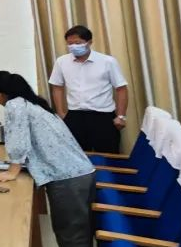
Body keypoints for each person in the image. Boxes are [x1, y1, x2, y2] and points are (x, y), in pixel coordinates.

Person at [0, 71, 97, 247]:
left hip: (68, 176)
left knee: (73, 232)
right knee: (69, 229)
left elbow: (18, 140)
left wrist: (12, 171)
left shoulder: (15, 105)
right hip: (74, 173)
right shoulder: (34, 103)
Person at [48, 25, 128, 154]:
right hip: (75, 116)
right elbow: (57, 87)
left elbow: (121, 89)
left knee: (108, 156)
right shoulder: (61, 62)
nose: (73, 46)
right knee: (77, 156)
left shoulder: (107, 61)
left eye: (77, 43)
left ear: (89, 42)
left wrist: (121, 116)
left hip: (103, 117)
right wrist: (61, 113)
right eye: (70, 43)